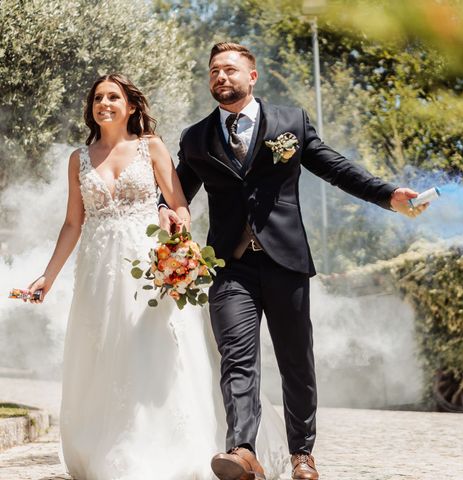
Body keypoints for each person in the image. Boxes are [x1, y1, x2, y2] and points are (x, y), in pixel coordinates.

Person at [158, 42, 428, 480]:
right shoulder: (195, 138)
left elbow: (335, 168)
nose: (220, 78)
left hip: (286, 261)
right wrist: (166, 215)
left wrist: (386, 193)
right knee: (237, 358)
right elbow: (175, 196)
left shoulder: (290, 122)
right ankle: (242, 449)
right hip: (230, 267)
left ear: (252, 76)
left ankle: (302, 455)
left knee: (295, 361)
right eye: (213, 72)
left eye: (229, 70)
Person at [27, 73, 288, 480]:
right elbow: (72, 224)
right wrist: (47, 277)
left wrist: (176, 239)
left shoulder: (152, 148)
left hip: (151, 268)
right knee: (104, 354)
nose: (105, 104)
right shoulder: (79, 158)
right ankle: (105, 447)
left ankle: (167, 447)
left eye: (114, 96)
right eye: (98, 98)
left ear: (130, 105)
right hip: (98, 273)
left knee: (154, 352)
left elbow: (181, 205)